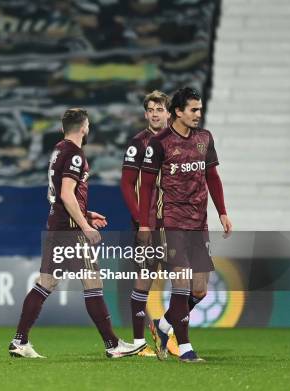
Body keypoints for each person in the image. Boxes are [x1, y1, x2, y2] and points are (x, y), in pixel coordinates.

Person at [8, 108, 142, 359]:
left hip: (57, 225)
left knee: (46, 283)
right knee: (92, 283)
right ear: (84, 127)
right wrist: (86, 226)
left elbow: (61, 195)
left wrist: (87, 214)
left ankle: (19, 341)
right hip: (70, 230)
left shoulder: (59, 149)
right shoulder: (75, 155)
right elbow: (67, 194)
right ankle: (113, 345)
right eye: (88, 126)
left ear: (63, 128)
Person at [138, 87, 232, 362]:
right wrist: (145, 223)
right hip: (172, 220)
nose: (198, 114)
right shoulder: (161, 143)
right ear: (178, 112)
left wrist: (223, 212)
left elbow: (212, 177)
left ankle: (165, 325)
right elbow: (145, 187)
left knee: (200, 289)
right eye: (193, 109)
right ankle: (186, 348)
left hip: (198, 222)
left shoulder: (205, 138)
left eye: (200, 109)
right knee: (181, 281)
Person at [120, 90, 179, 357]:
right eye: (151, 110)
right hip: (148, 224)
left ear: (169, 112)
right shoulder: (138, 144)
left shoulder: (181, 142)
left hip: (176, 222)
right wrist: (141, 220)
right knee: (144, 278)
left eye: (160, 109)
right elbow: (127, 184)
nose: (155, 114)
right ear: (146, 114)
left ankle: (168, 332)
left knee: (184, 280)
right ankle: (137, 342)